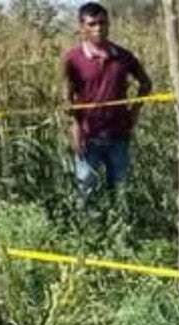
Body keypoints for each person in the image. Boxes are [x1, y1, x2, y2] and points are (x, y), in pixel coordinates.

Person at [63, 2, 152, 208]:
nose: (98, 28)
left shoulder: (123, 56)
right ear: (81, 27)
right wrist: (75, 129)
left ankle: (120, 233)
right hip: (89, 135)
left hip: (118, 133)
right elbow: (66, 99)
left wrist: (134, 112)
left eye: (102, 23)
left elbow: (146, 84)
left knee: (120, 188)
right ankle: (89, 234)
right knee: (86, 188)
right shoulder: (73, 59)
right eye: (92, 24)